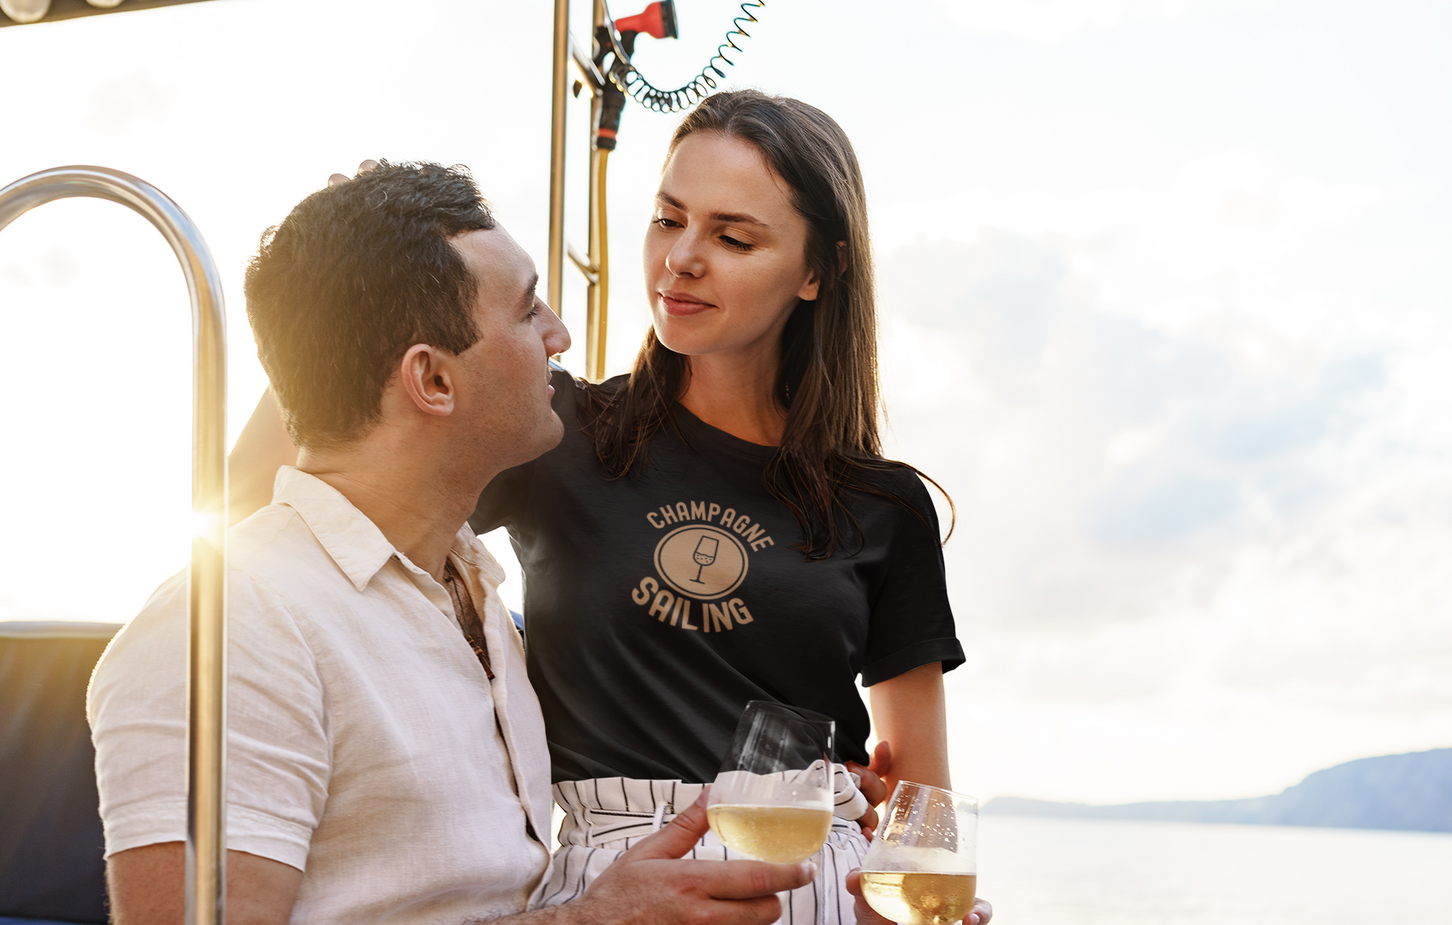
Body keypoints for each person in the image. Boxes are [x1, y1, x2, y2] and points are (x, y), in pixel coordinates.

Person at [232, 93, 992, 925]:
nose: (682, 259)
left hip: (813, 888)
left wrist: (922, 902)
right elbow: (263, 503)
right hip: (610, 884)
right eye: (669, 220)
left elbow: (921, 792)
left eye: (733, 237)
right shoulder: (555, 431)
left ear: (818, 271)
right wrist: (345, 300)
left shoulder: (883, 505)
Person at [87, 162, 832, 925]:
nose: (559, 334)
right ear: (432, 382)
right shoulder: (227, 631)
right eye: (525, 309)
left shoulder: (469, 595)